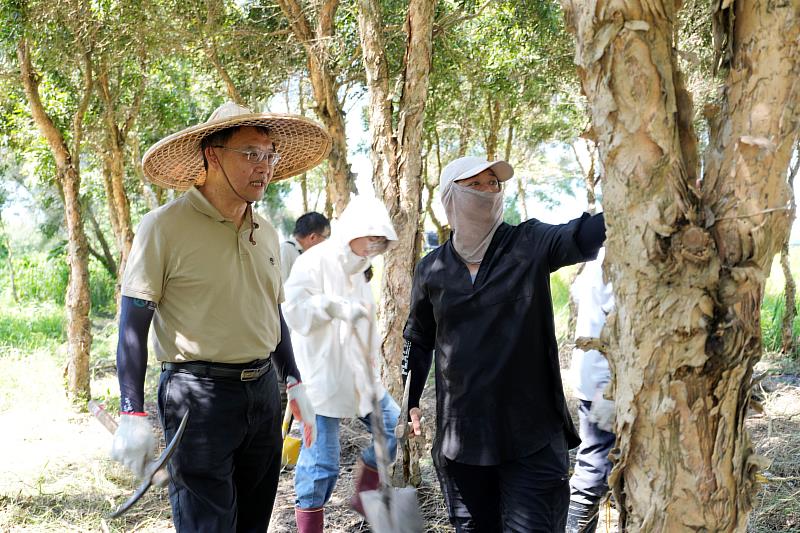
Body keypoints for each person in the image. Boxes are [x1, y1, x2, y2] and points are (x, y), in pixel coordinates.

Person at [109, 101, 331, 532]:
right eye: (250, 153)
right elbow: (132, 322)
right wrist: (130, 412)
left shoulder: (265, 230)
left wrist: (294, 379)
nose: (263, 166)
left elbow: (273, 310)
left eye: (270, 155)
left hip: (263, 394)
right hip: (197, 397)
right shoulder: (164, 227)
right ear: (212, 155)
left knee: (253, 521)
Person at [401, 155, 606, 532]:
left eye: (493, 184)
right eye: (474, 185)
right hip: (461, 443)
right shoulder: (432, 269)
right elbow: (418, 338)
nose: (487, 192)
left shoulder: (529, 243)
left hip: (531, 438)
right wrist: (410, 399)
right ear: (449, 196)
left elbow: (580, 236)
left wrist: (628, 206)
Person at [282, 196, 401, 533]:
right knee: (322, 464)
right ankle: (309, 527)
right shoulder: (314, 261)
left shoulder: (361, 269)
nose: (376, 245)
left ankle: (364, 496)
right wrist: (329, 306)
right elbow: (294, 312)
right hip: (320, 376)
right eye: (371, 236)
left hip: (361, 375)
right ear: (352, 230)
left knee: (393, 429)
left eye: (381, 239)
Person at [566, 248, 616, 533]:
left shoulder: (602, 255)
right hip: (605, 381)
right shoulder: (619, 255)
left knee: (605, 463)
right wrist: (607, 388)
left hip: (599, 378)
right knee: (594, 468)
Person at [280, 211, 331, 283]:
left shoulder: (308, 254)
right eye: (325, 237)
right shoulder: (285, 250)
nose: (325, 242)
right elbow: (279, 287)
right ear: (313, 237)